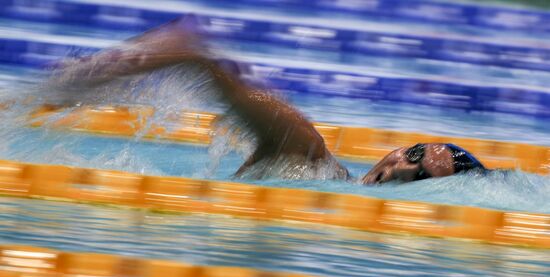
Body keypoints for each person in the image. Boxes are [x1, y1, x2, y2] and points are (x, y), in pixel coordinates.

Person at [50, 16, 487, 184]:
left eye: (420, 172)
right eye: (413, 152)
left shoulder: (325, 180)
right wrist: (76, 83)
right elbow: (195, 47)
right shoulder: (307, 152)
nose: (401, 165)